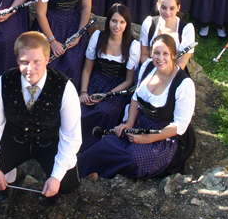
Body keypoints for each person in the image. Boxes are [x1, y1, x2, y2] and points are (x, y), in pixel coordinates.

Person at [0, 31, 81, 205]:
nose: (30, 69)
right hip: (15, 139)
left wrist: (56, 176)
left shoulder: (65, 87)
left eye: (36, 61)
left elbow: (71, 136)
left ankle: (51, 186)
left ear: (47, 59)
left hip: (48, 141)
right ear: (17, 60)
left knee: (67, 184)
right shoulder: (4, 82)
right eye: (24, 62)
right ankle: (13, 177)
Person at [78, 33, 196, 179]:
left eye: (165, 53)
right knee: (106, 145)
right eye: (156, 53)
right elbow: (135, 98)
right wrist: (128, 123)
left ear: (173, 55)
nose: (160, 58)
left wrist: (147, 139)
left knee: (133, 157)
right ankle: (73, 175)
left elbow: (180, 126)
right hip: (139, 123)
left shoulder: (184, 84)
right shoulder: (147, 67)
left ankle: (103, 176)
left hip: (163, 136)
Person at [79, 4, 140, 152]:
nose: (117, 26)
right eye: (114, 21)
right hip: (96, 81)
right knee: (80, 109)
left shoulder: (133, 46)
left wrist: (106, 96)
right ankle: (74, 143)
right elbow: (87, 69)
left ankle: (92, 147)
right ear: (108, 21)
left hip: (116, 89)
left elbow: (129, 81)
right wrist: (83, 92)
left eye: (121, 22)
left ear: (127, 24)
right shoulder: (97, 37)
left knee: (104, 111)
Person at [35, 0, 93, 89]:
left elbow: (86, 7)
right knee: (49, 63)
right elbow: (40, 13)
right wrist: (52, 41)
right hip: (51, 25)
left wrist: (79, 34)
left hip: (74, 25)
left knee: (74, 62)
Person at [140, 0, 196, 71]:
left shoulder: (187, 28)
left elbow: (181, 63)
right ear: (158, 6)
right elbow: (144, 54)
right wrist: (155, 72)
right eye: (164, 7)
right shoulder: (149, 23)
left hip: (175, 72)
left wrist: (165, 75)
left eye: (172, 8)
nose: (167, 12)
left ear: (178, 8)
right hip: (151, 69)